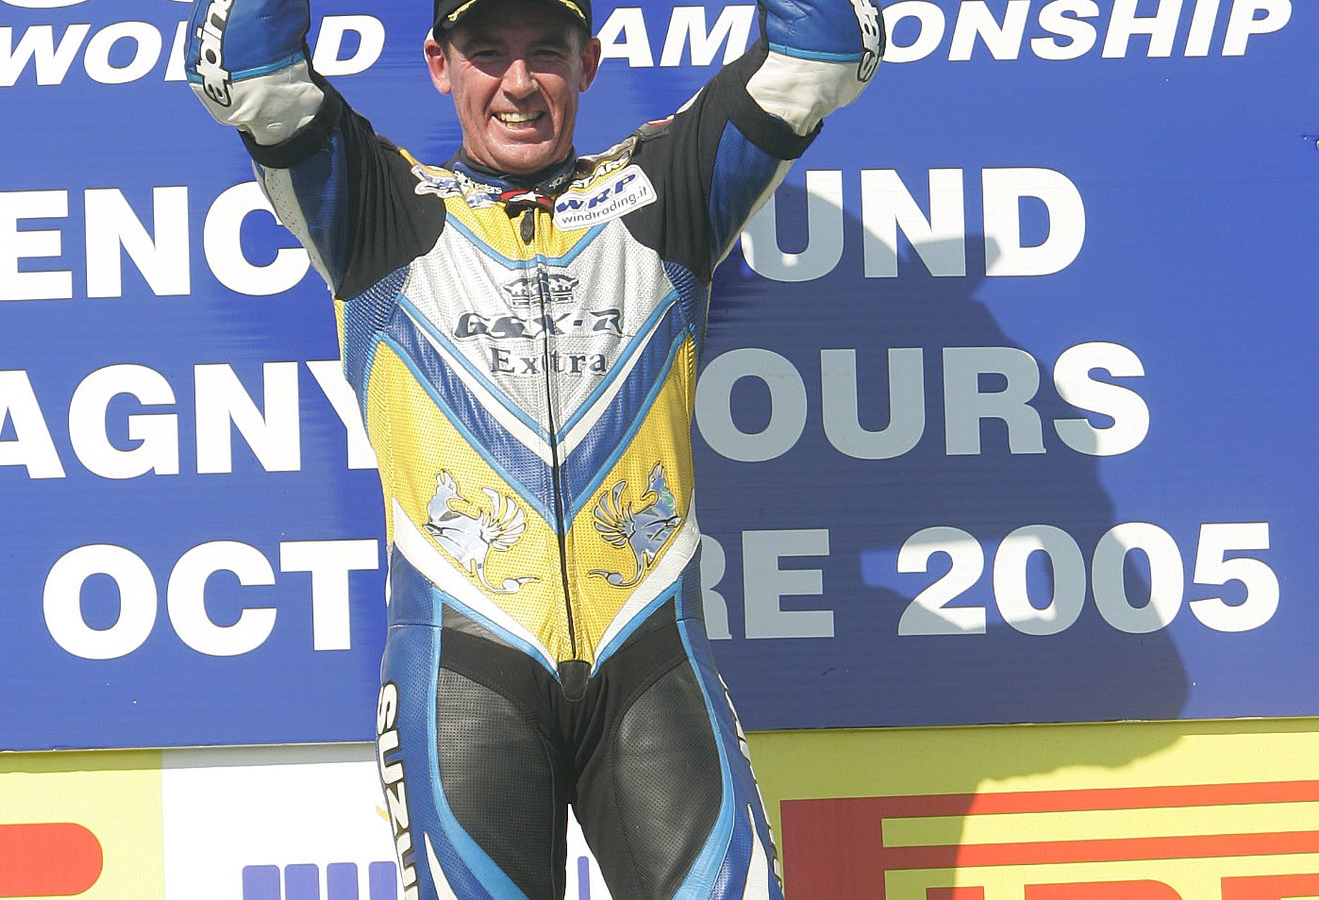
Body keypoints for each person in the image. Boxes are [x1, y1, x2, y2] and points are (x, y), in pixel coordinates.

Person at [185, 0, 883, 897]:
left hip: (652, 657)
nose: (519, 84)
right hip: (465, 671)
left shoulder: (666, 190)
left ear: (589, 62)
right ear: (439, 64)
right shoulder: (377, 209)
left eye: (545, 52)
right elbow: (250, 73)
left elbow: (822, 48)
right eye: (487, 53)